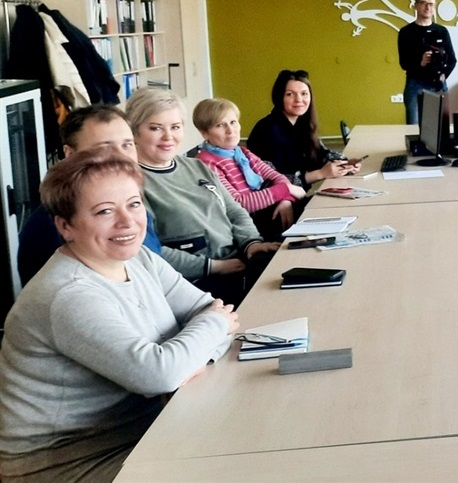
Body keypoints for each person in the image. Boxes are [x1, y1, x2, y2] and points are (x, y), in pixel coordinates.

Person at [0, 148, 237, 483]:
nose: (127, 222)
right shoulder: (67, 295)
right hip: (70, 463)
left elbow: (210, 311)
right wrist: (202, 340)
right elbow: (163, 370)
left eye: (134, 204)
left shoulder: (139, 259)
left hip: (150, 427)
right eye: (104, 211)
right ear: (65, 226)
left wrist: (191, 361)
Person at [126, 88, 280, 306]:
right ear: (134, 131)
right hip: (195, 283)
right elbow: (146, 250)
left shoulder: (197, 167)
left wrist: (252, 243)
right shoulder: (131, 183)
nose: (168, 136)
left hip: (239, 261)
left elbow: (234, 211)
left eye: (175, 127)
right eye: (156, 128)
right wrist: (214, 267)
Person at [17, 104, 163, 285]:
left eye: (127, 145)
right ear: (70, 154)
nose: (122, 157)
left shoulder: (126, 203)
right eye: (105, 148)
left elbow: (155, 266)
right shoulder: (53, 226)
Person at [193, 98, 308, 241]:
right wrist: (287, 190)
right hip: (247, 231)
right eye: (220, 125)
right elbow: (239, 205)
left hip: (267, 214)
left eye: (233, 122)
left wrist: (286, 200)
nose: (230, 130)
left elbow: (276, 176)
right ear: (205, 133)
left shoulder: (242, 152)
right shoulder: (206, 164)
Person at [247, 69, 360, 190]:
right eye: (290, 94)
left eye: (304, 93)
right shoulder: (267, 130)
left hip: (299, 194)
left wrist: (345, 164)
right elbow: (271, 182)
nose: (299, 99)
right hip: (277, 199)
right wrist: (320, 174)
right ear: (279, 97)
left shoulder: (302, 123)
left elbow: (322, 154)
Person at [398, 0, 457, 125]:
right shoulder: (406, 32)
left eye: (431, 4)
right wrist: (421, 62)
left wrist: (444, 75)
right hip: (415, 83)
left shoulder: (441, 31)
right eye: (423, 3)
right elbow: (403, 63)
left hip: (438, 83)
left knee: (439, 127)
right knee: (413, 127)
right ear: (416, 6)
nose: (427, 7)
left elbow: (452, 60)